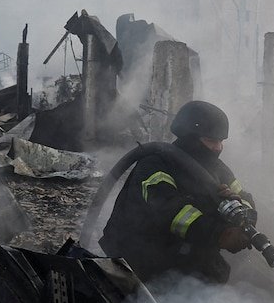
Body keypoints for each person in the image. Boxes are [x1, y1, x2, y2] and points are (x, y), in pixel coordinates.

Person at [98, 100, 258, 285]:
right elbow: (171, 213)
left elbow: (243, 196)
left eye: (221, 141)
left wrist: (244, 218)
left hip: (184, 253)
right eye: (211, 140)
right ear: (190, 138)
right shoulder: (155, 165)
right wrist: (220, 234)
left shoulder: (217, 168)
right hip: (140, 260)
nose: (218, 147)